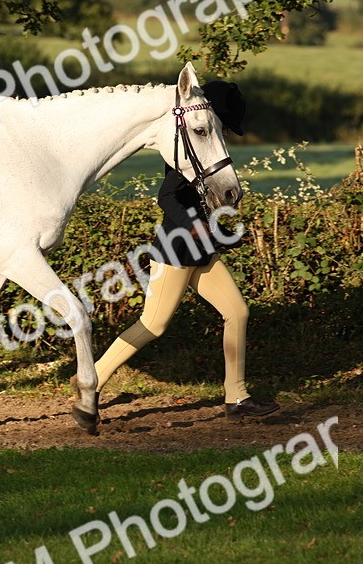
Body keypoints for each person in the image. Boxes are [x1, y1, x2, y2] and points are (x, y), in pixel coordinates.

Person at [93, 80, 279, 420]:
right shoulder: (187, 156)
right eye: (223, 122)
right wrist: (197, 229)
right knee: (153, 325)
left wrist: (219, 233)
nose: (223, 130)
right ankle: (90, 382)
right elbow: (167, 197)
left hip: (202, 253)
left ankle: (236, 397)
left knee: (237, 312)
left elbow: (205, 205)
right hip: (175, 252)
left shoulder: (208, 153)